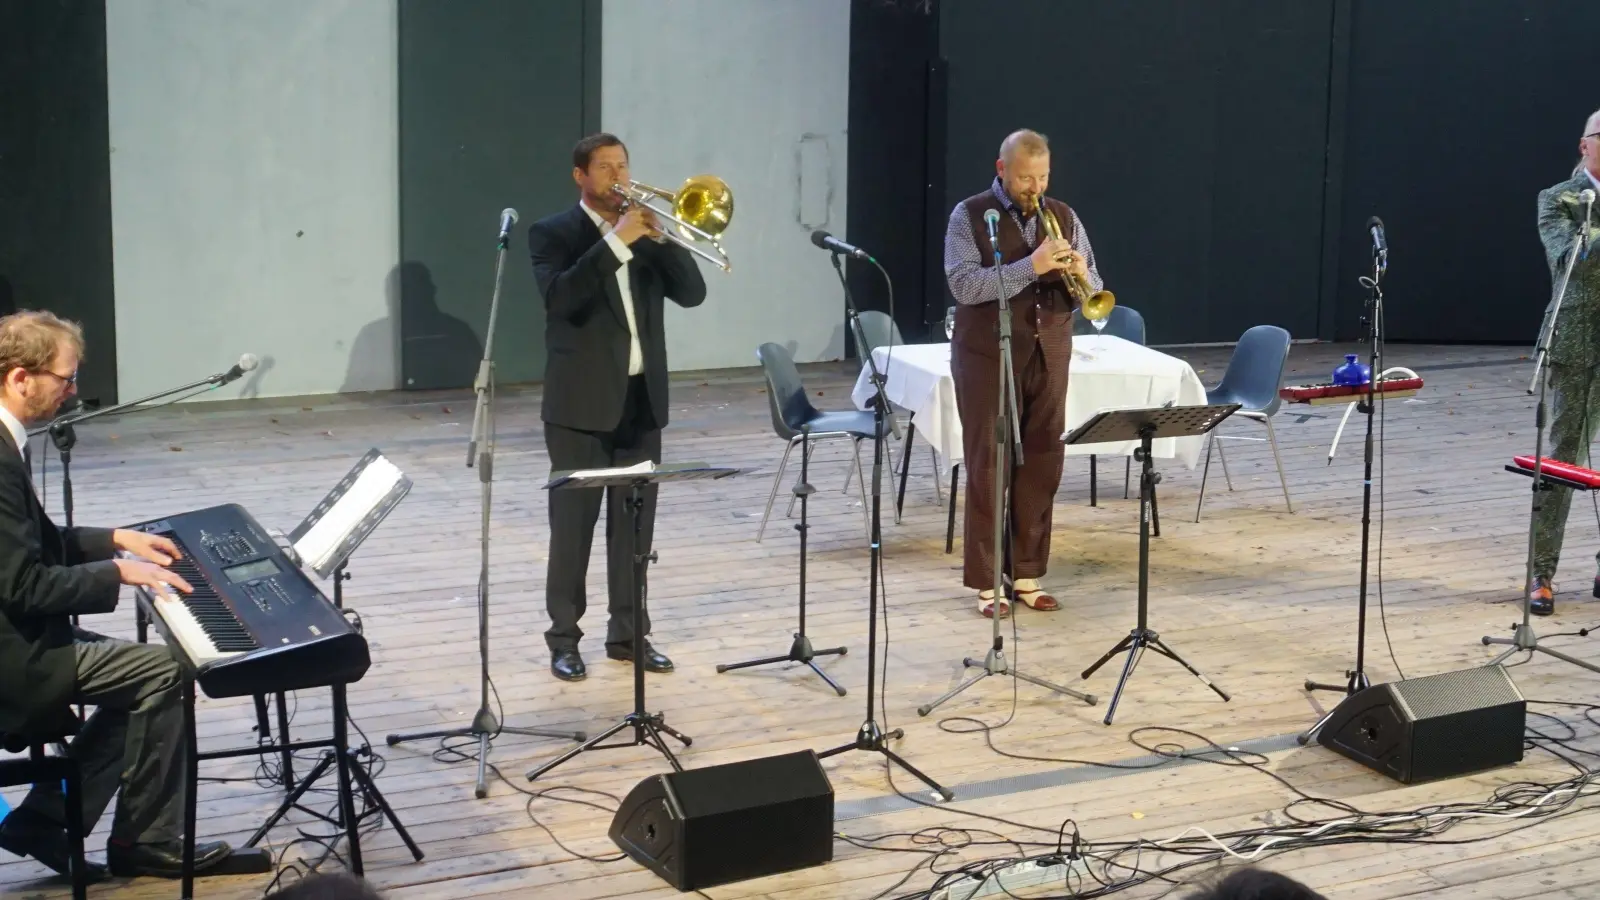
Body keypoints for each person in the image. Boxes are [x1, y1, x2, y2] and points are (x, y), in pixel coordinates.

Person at [0, 310, 232, 879]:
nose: (73, 392)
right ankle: (143, 841)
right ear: (19, 378)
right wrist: (119, 573)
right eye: (65, 378)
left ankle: (48, 820)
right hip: (12, 657)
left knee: (142, 675)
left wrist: (116, 539)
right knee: (163, 672)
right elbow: (22, 584)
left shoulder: (8, 442)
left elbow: (37, 543)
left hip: (16, 636)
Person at [528, 133, 707, 681]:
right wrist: (616, 242)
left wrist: (667, 238)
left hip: (639, 401)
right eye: (605, 168)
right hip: (579, 407)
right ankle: (564, 639)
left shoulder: (647, 232)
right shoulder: (553, 233)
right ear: (580, 176)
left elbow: (693, 293)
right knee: (573, 529)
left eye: (622, 166)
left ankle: (629, 635)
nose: (618, 177)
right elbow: (562, 299)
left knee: (634, 532)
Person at [944, 129, 1104, 617]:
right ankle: (988, 580)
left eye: (1042, 177)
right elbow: (964, 285)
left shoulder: (1065, 216)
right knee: (989, 464)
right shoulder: (968, 215)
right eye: (1023, 178)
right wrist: (1030, 267)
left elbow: (1094, 287)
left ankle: (1028, 572)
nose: (1033, 187)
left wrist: (1082, 272)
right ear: (1001, 170)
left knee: (1042, 461)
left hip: (1049, 349)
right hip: (987, 354)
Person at [1529, 107, 1600, 616]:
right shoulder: (1559, 199)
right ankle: (1542, 574)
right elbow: (1570, 257)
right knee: (1562, 461)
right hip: (1575, 345)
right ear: (1585, 144)